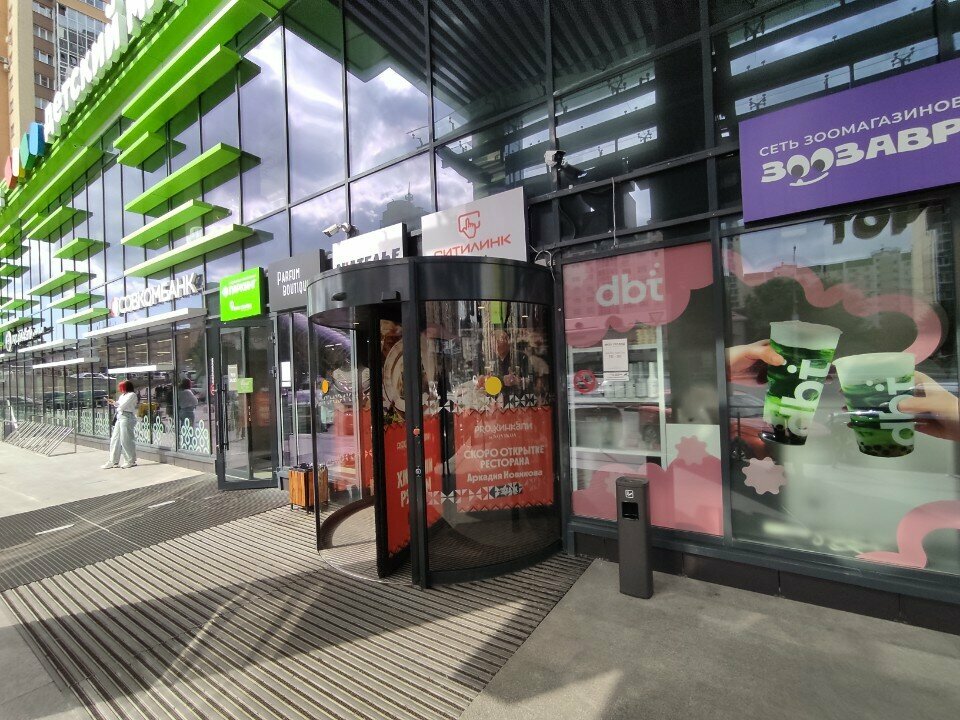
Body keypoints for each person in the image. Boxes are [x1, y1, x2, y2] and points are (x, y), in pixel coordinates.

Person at [102, 380, 138, 469]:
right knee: (115, 439)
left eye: (122, 387)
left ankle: (130, 460)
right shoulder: (123, 395)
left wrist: (117, 405)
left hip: (127, 416)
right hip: (120, 416)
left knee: (126, 439)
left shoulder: (132, 395)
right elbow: (119, 404)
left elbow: (122, 406)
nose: (120, 389)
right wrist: (114, 402)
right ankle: (113, 461)